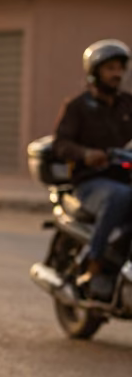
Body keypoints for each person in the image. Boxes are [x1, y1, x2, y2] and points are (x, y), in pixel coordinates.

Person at [53, 39, 132, 300]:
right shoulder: (78, 107)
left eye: (120, 68)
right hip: (91, 182)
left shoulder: (127, 105)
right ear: (95, 71)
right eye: (110, 68)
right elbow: (60, 144)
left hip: (125, 175)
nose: (117, 73)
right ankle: (94, 265)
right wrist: (87, 154)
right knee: (119, 196)